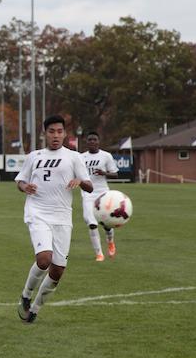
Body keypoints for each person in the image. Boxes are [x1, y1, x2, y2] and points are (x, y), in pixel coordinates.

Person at [15, 115, 92, 324]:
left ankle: (35, 308)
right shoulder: (34, 156)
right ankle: (26, 294)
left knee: (57, 270)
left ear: (65, 134)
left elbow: (90, 185)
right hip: (37, 212)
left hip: (62, 218)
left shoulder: (74, 157)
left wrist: (80, 181)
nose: (56, 135)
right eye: (51, 131)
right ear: (45, 134)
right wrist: (25, 187)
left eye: (59, 131)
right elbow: (20, 181)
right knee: (44, 259)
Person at [80, 131, 119, 261]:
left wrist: (104, 172)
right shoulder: (81, 157)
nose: (92, 142)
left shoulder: (106, 156)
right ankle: (99, 253)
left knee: (106, 223)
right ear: (86, 142)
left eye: (94, 139)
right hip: (88, 193)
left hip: (103, 193)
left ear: (98, 141)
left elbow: (115, 174)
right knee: (91, 222)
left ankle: (110, 242)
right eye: (89, 139)